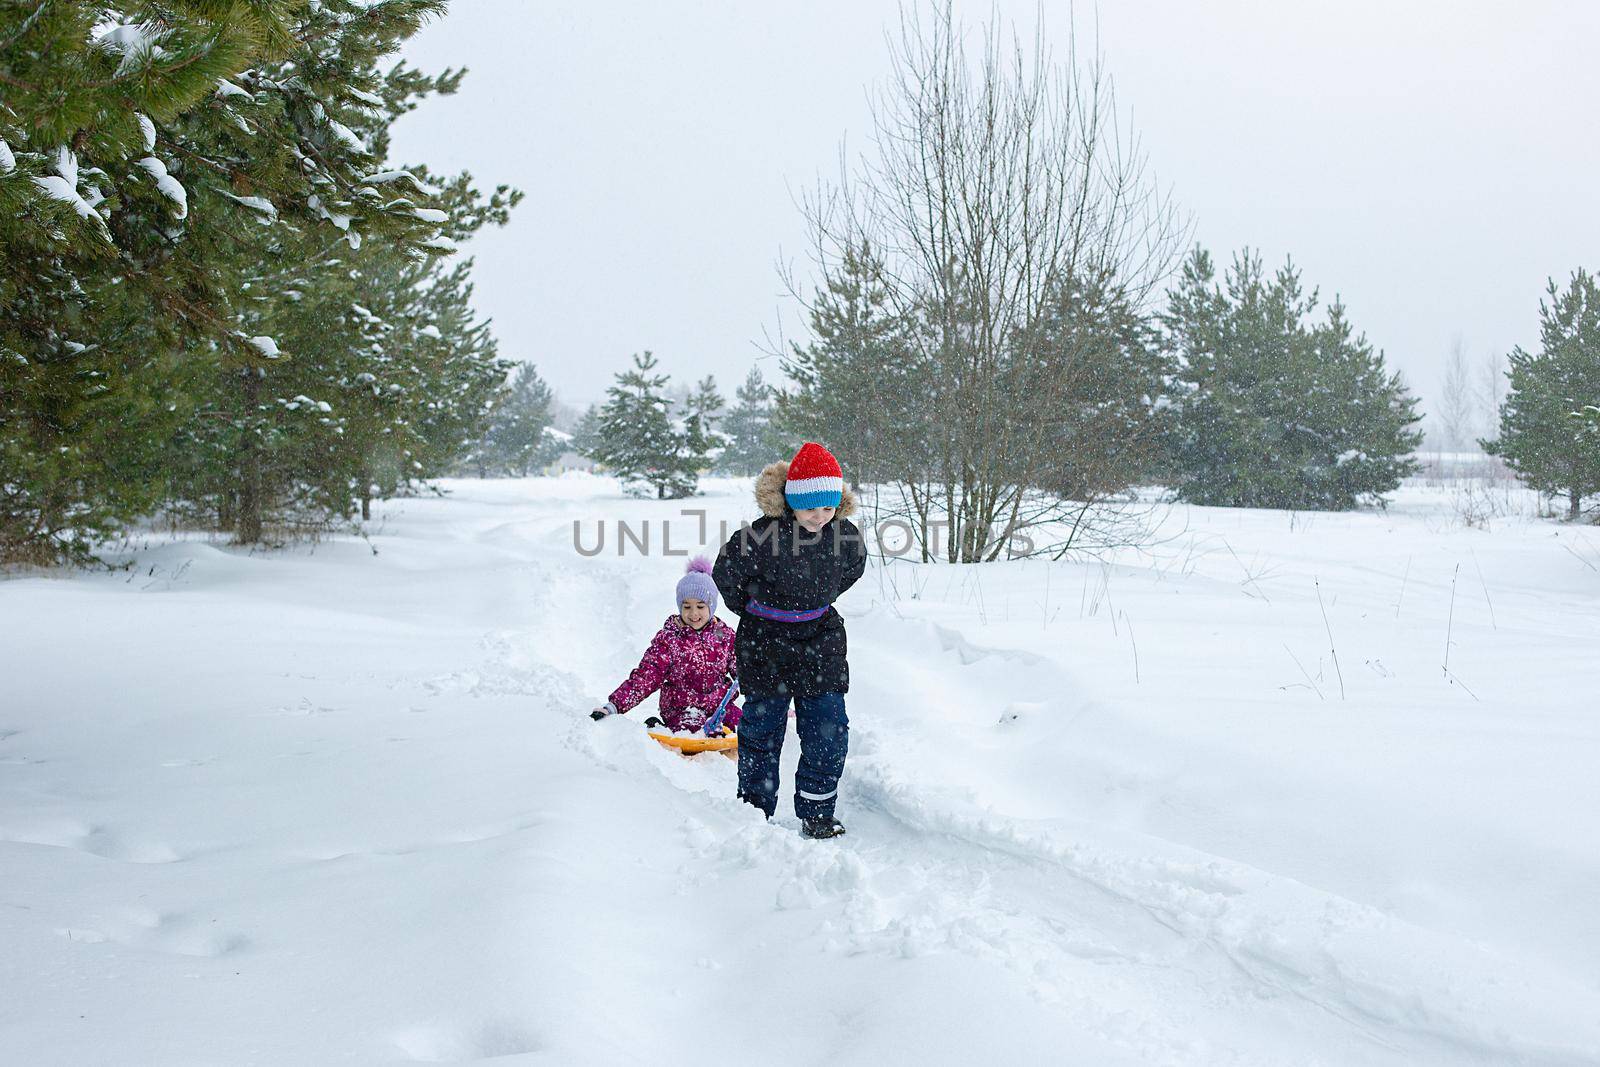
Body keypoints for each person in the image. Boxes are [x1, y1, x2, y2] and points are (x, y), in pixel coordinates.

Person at [712, 441, 867, 839]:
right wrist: (757, 608)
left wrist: (818, 600)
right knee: (762, 731)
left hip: (821, 640)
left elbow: (853, 569)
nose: (820, 516)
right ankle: (754, 810)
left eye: (829, 507)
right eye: (811, 507)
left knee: (827, 728)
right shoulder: (759, 537)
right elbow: (726, 576)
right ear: (791, 502)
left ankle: (817, 811)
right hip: (766, 643)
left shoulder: (844, 536)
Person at [591, 557, 741, 733]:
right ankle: (662, 728)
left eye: (700, 606)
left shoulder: (724, 636)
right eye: (687, 607)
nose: (693, 614)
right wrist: (614, 706)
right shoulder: (670, 640)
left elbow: (743, 671)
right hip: (682, 709)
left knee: (747, 727)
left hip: (719, 707)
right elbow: (646, 677)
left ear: (712, 606)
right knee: (692, 731)